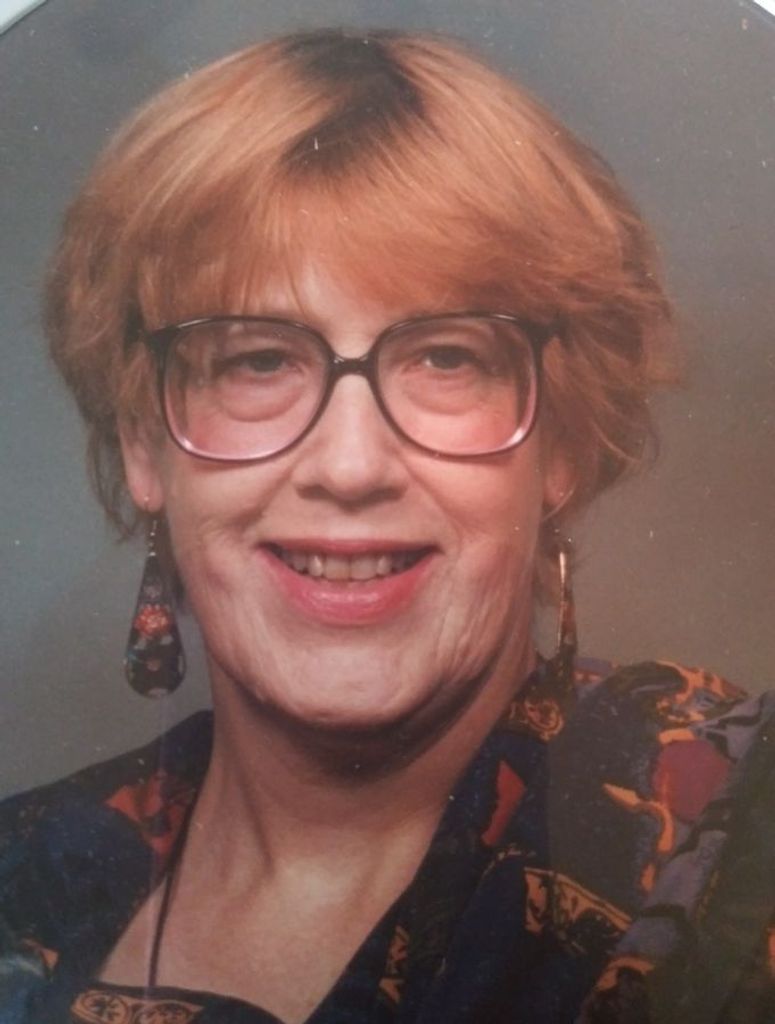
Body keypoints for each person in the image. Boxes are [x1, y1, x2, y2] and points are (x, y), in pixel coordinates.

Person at [1, 26, 774, 1024]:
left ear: (562, 443)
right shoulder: (26, 870)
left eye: (446, 358)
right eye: (258, 360)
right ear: (145, 445)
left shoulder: (737, 833)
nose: (351, 466)